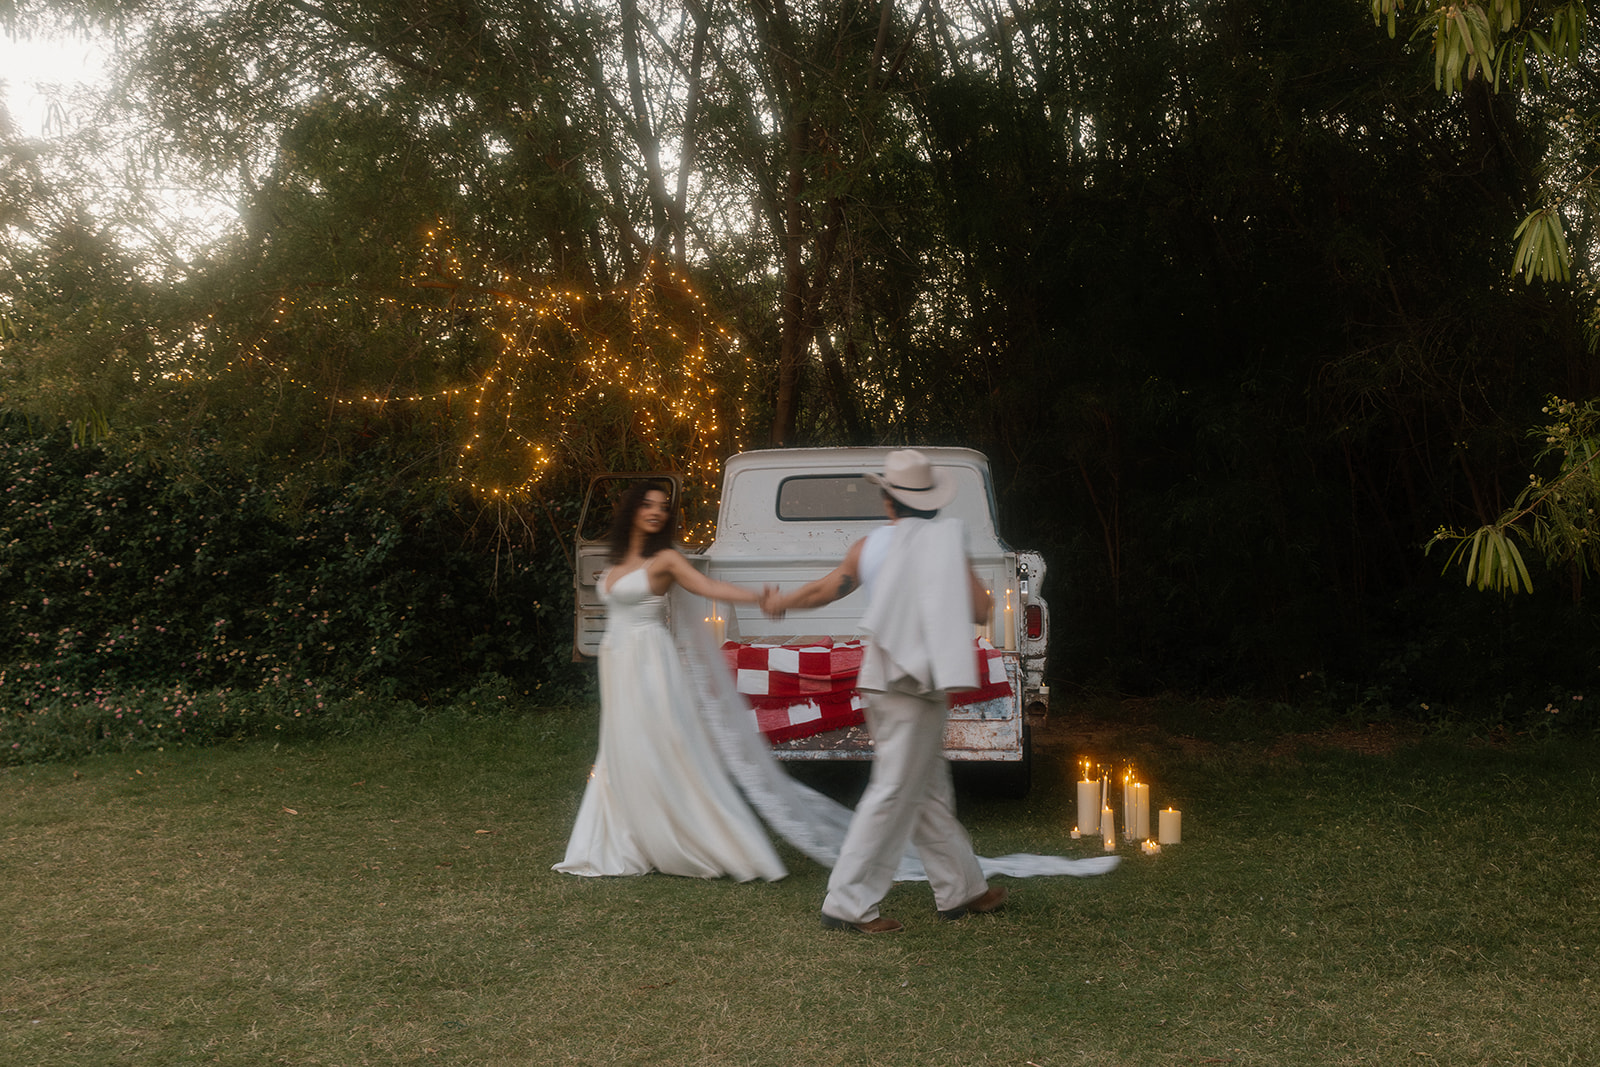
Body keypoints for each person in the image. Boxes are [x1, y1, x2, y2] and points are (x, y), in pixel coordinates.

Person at [760, 449, 1004, 933]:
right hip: (921, 684)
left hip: (884, 682)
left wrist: (780, 602)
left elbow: (825, 590)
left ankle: (963, 889)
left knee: (928, 792)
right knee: (892, 793)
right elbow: (981, 608)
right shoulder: (947, 544)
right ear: (932, 502)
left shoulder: (868, 547)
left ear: (888, 502)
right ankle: (846, 903)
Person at [554, 481, 786, 882]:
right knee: (621, 745)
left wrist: (757, 598)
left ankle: (688, 835)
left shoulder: (665, 559)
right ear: (631, 510)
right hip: (616, 658)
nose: (656, 512)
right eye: (647, 504)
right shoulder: (613, 564)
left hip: (648, 659)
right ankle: (629, 834)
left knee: (659, 741)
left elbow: (708, 587)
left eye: (663, 507)